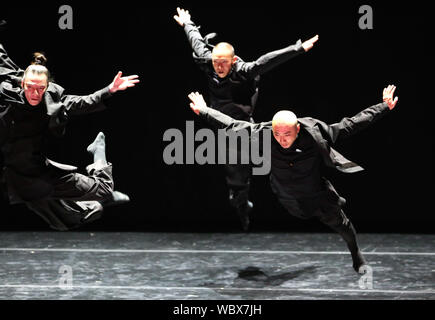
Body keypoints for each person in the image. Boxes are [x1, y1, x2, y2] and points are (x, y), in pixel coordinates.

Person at [187, 85, 399, 274]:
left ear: (297, 129)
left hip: (317, 193)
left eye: (287, 133)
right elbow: (232, 125)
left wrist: (383, 107)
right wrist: (204, 110)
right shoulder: (264, 133)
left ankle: (356, 256)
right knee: (301, 212)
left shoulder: (314, 133)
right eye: (278, 134)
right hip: (286, 195)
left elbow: (350, 125)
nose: (282, 138)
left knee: (342, 224)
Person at [174, 7, 319, 231]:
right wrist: (187, 23)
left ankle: (304, 198)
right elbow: (196, 41)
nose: (219, 66)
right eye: (216, 62)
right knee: (237, 186)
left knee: (278, 158)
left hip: (246, 128)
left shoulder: (243, 70)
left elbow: (266, 61)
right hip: (223, 129)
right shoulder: (208, 62)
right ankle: (242, 208)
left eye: (224, 62)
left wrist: (298, 48)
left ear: (232, 61)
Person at [0, 38, 139, 231]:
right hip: (15, 175)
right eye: (30, 86)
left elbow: (84, 102)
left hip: (40, 174)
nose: (34, 93)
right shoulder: (7, 96)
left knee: (104, 190)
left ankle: (98, 156)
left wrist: (110, 89)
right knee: (66, 221)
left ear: (47, 87)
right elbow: (2, 59)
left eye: (40, 88)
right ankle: (98, 203)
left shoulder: (53, 103)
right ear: (22, 83)